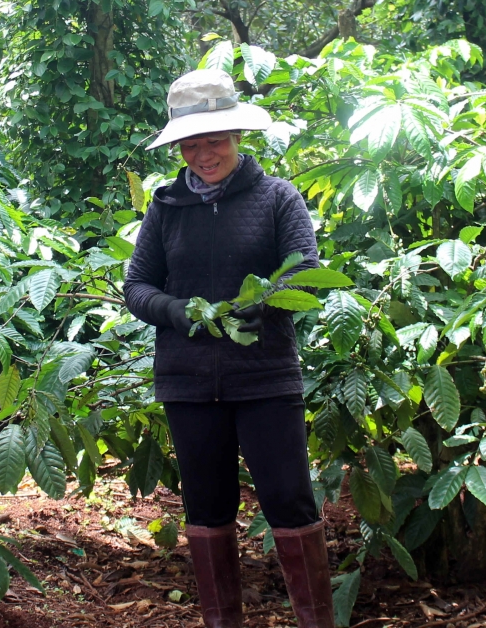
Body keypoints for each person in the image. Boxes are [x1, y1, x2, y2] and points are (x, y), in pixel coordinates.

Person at [124, 68, 334, 628]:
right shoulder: (166, 205)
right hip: (188, 381)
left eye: (214, 140)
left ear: (237, 137)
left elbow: (304, 274)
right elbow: (138, 285)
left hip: (264, 376)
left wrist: (257, 304)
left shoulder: (276, 198)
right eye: (191, 143)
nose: (203, 153)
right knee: (207, 507)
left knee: (290, 501)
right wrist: (181, 313)